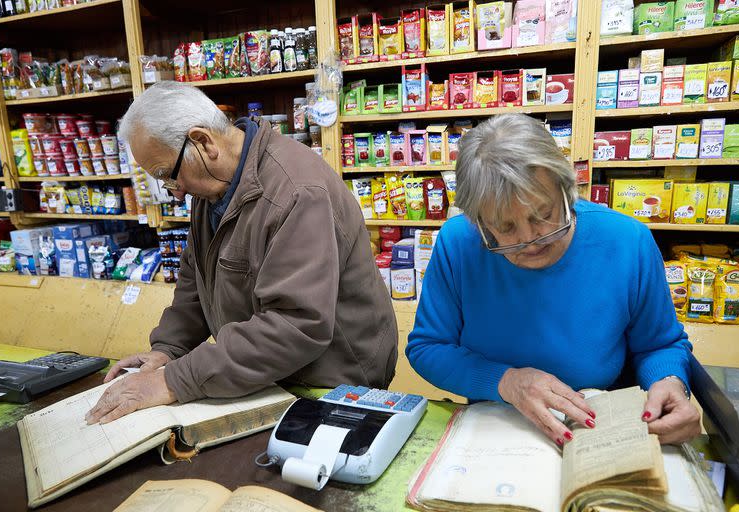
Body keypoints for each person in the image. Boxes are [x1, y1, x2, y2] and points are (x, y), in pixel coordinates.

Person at [86, 82, 397, 424]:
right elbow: (196, 281)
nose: (174, 194)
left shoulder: (296, 192)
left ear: (203, 142)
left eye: (167, 176)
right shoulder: (213, 187)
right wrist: (167, 350)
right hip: (270, 373)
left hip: (332, 379)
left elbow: (295, 325)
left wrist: (172, 380)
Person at [406, 114, 700, 447]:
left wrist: (670, 382)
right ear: (479, 223)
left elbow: (660, 344)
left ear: (565, 186)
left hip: (598, 431)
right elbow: (428, 347)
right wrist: (505, 382)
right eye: (505, 228)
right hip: (494, 430)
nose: (531, 240)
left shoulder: (627, 241)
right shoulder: (457, 243)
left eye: (543, 214)